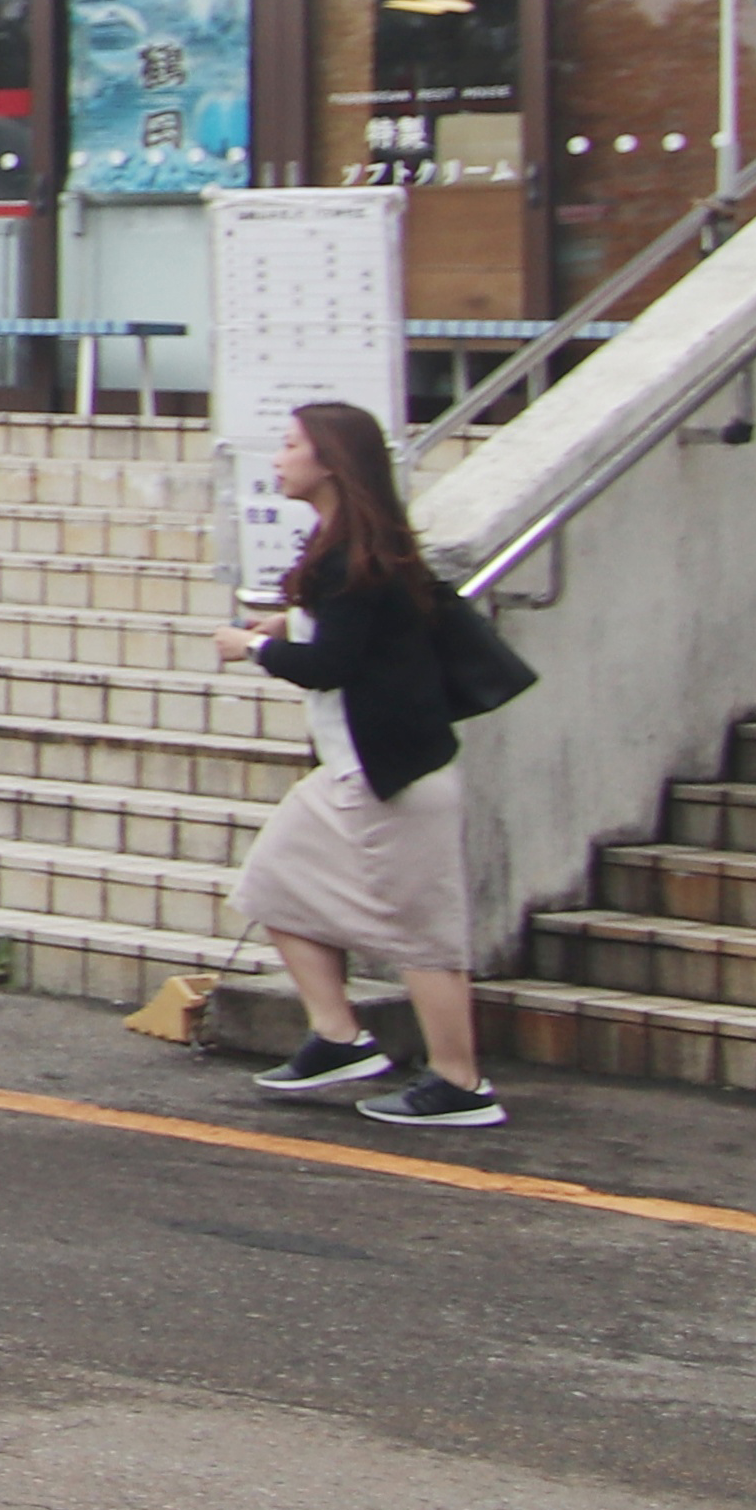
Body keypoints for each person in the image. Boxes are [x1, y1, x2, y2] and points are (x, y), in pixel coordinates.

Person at [218, 399, 511, 1133]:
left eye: (290, 445)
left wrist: (252, 648)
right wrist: (290, 623)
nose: (277, 458)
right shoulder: (353, 543)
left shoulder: (352, 554)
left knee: (423, 936)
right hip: (351, 771)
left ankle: (460, 1084)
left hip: (394, 777)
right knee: (272, 883)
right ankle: (338, 1038)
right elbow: (360, 633)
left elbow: (330, 666)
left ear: (329, 462)